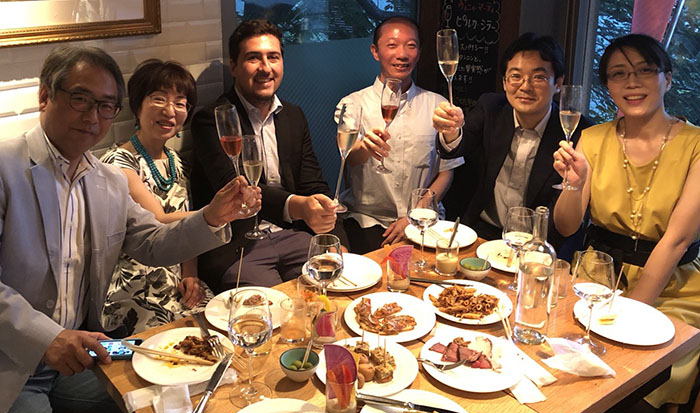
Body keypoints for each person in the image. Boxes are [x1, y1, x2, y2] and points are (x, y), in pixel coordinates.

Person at [0, 47, 259, 413]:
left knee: (189, 402)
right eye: (80, 99)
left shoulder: (106, 181)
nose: (93, 117)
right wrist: (46, 338)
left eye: (106, 106)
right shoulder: (6, 168)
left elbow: (153, 242)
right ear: (44, 96)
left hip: (85, 357)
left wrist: (211, 217)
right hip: (12, 368)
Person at [553, 34, 700, 413]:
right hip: (596, 276)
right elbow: (567, 225)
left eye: (644, 71)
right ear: (608, 86)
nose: (632, 82)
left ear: (667, 78)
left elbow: (677, 240)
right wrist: (572, 185)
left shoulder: (695, 144)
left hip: (672, 286)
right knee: (561, 365)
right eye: (619, 74)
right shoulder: (592, 138)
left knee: (637, 382)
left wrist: (629, 313)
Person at [191, 19, 349, 291]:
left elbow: (314, 184)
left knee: (335, 292)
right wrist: (298, 206)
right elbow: (235, 187)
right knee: (275, 308)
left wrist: (336, 240)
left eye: (273, 57)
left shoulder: (293, 115)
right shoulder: (212, 120)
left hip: (294, 236)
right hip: (240, 247)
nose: (265, 68)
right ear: (234, 66)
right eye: (253, 58)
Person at [438, 32, 592, 248]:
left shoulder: (575, 131)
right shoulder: (491, 107)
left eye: (538, 77)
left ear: (558, 83)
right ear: (504, 82)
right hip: (483, 232)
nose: (525, 86)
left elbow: (567, 221)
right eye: (516, 76)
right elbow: (459, 145)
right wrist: (450, 131)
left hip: (538, 243)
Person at [100, 59, 214, 335]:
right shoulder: (117, 163)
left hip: (174, 280)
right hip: (135, 286)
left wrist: (190, 274)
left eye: (180, 103)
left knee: (219, 325)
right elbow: (158, 219)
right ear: (137, 105)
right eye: (159, 99)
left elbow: (187, 229)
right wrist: (217, 212)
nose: (169, 111)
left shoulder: (176, 161)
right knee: (171, 343)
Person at [336, 16, 465, 254]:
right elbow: (349, 158)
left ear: (419, 52)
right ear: (375, 52)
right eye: (392, 45)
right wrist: (365, 147)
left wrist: (416, 215)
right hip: (367, 220)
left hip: (424, 221)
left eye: (411, 46)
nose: (402, 54)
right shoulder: (352, 104)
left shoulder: (437, 105)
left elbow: (447, 170)